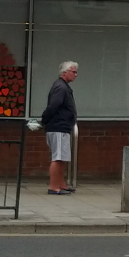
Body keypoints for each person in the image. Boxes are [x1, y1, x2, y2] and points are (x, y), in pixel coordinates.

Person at [40, 61, 79, 196]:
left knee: (62, 157)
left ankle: (61, 184)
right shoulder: (60, 87)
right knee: (57, 157)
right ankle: (53, 186)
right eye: (73, 72)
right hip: (58, 126)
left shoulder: (63, 87)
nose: (76, 75)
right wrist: (44, 120)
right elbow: (53, 106)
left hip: (62, 126)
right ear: (64, 72)